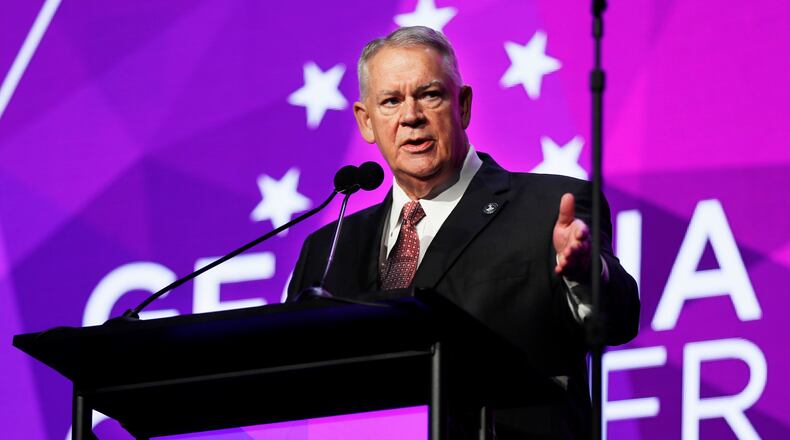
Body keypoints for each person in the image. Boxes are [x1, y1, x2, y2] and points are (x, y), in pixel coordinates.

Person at [288, 26, 639, 439]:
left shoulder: (548, 209)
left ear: (464, 105)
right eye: (391, 101)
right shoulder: (328, 249)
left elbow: (617, 318)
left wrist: (583, 272)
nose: (411, 116)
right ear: (366, 122)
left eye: (430, 95)